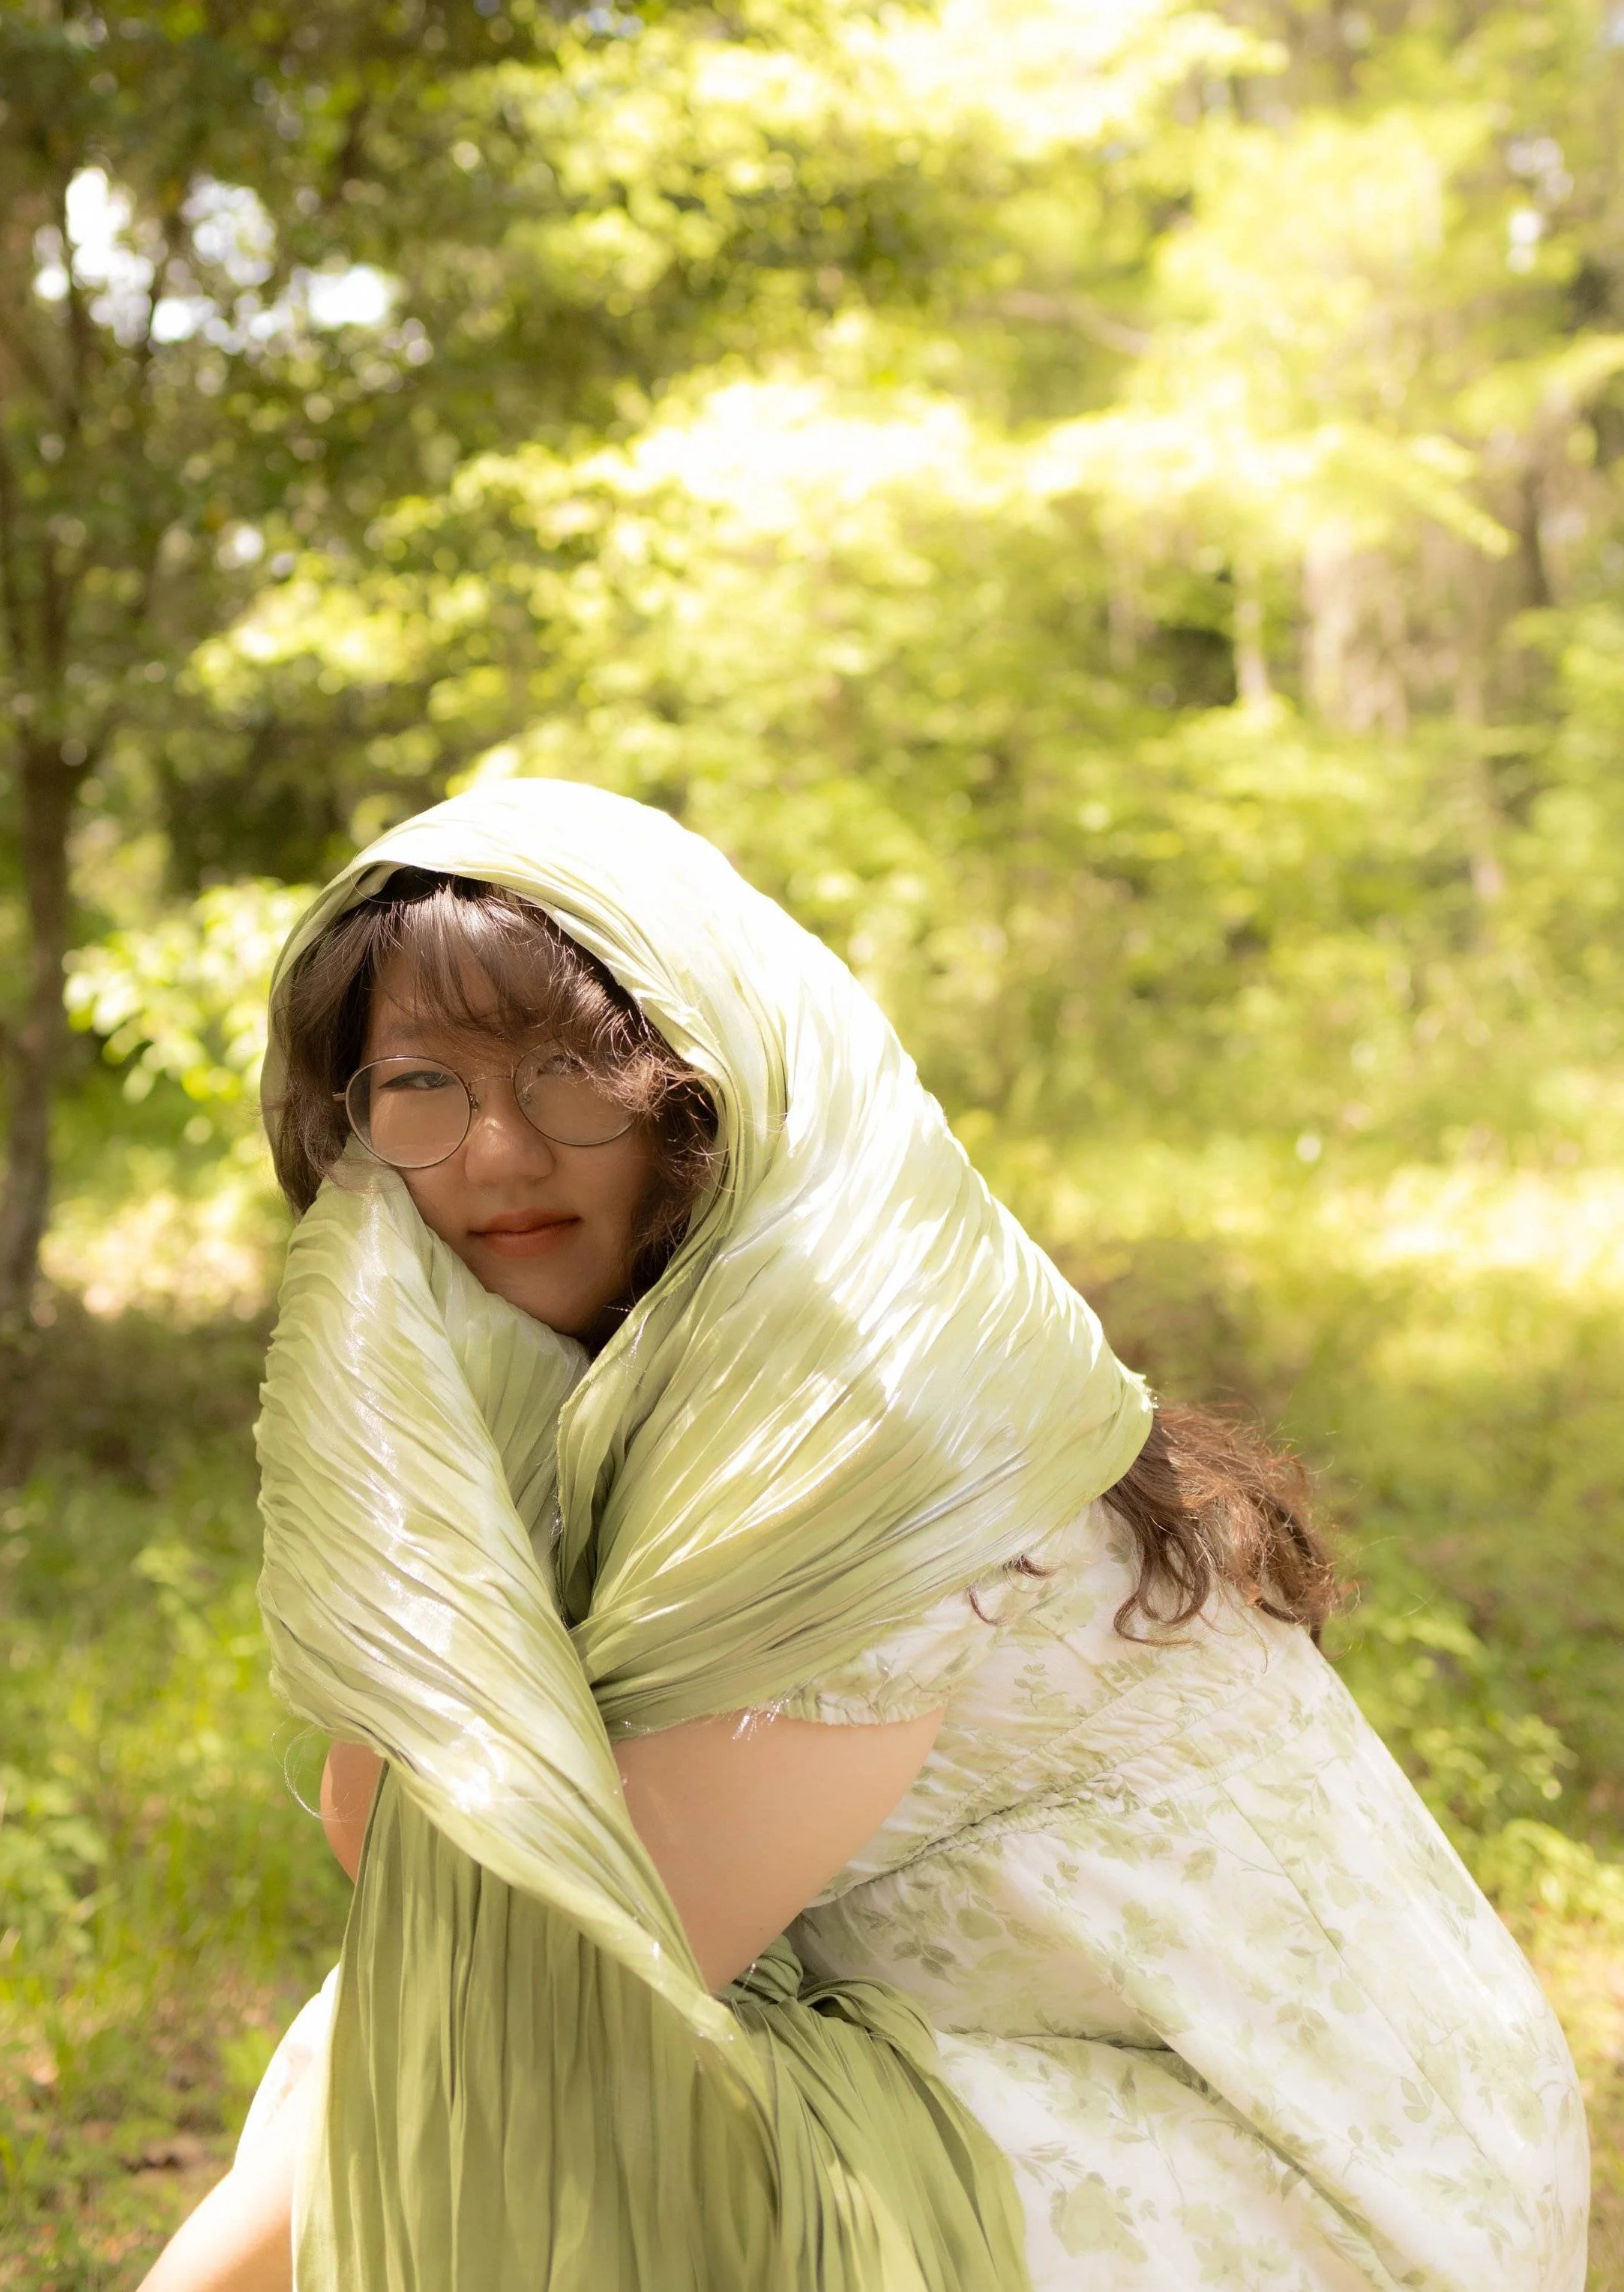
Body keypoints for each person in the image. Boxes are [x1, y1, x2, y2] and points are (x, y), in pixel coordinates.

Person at [141, 782, 1587, 2292]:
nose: (494, 1153)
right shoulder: (618, 1398)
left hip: (1335, 2187)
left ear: (702, 1087)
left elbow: (528, 2004)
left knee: (559, 2115)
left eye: (566, 1071)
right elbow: (414, 1890)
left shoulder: (863, 1415)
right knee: (395, 2044)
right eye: (419, 1088)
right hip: (1044, 2070)